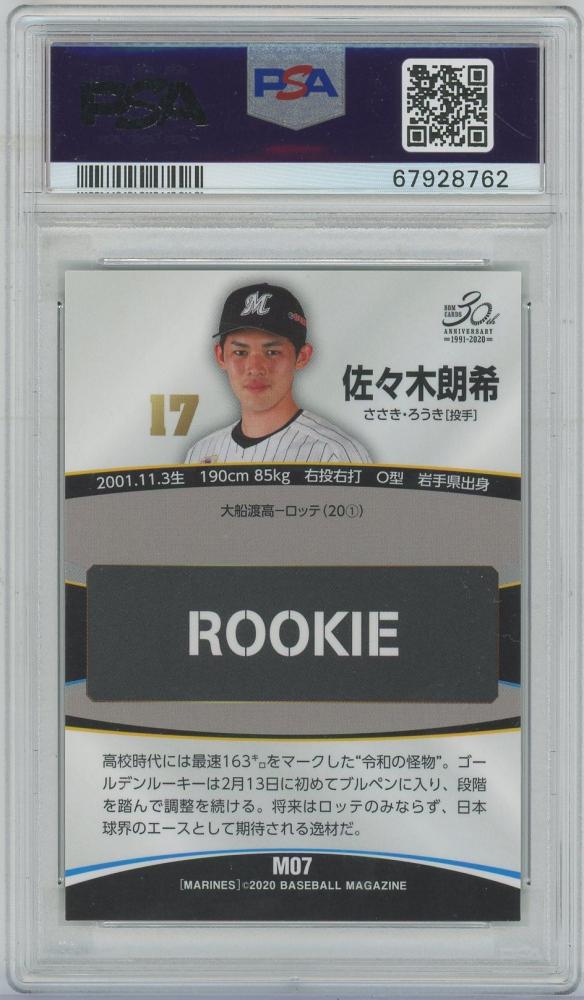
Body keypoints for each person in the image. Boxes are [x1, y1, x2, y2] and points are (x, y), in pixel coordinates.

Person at [184, 282, 371, 464]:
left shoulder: (335, 454)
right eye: (240, 352)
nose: (255, 368)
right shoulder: (200, 454)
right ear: (220, 356)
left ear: (302, 356)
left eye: (272, 352)